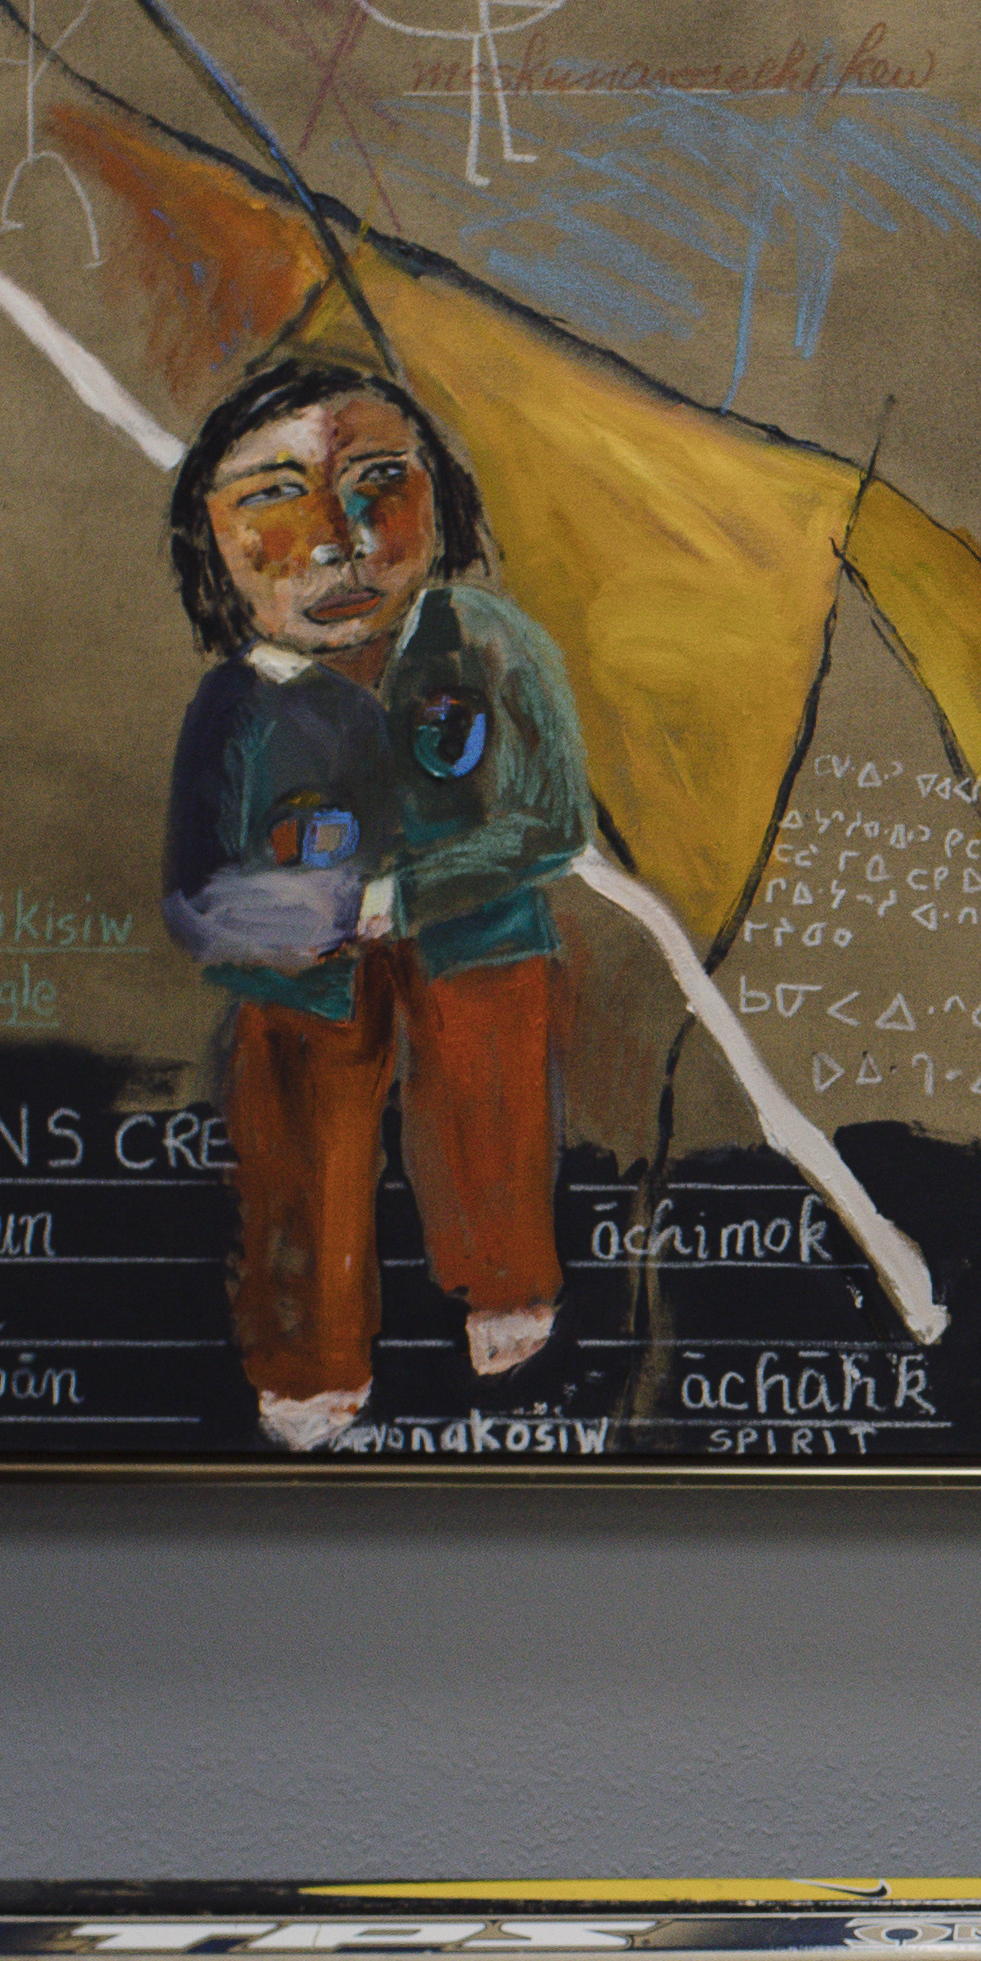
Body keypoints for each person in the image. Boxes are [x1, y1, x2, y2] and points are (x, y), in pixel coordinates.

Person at [156, 355, 592, 1453]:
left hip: (477, 936)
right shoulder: (236, 705)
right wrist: (300, 921)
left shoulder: (486, 643)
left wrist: (401, 900)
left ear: (438, 494)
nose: (340, 540)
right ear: (210, 541)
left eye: (377, 484)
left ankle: (506, 1279)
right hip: (299, 968)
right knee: (295, 1143)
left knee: (488, 1095)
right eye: (271, 498)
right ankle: (308, 1356)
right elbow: (197, 897)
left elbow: (550, 820)